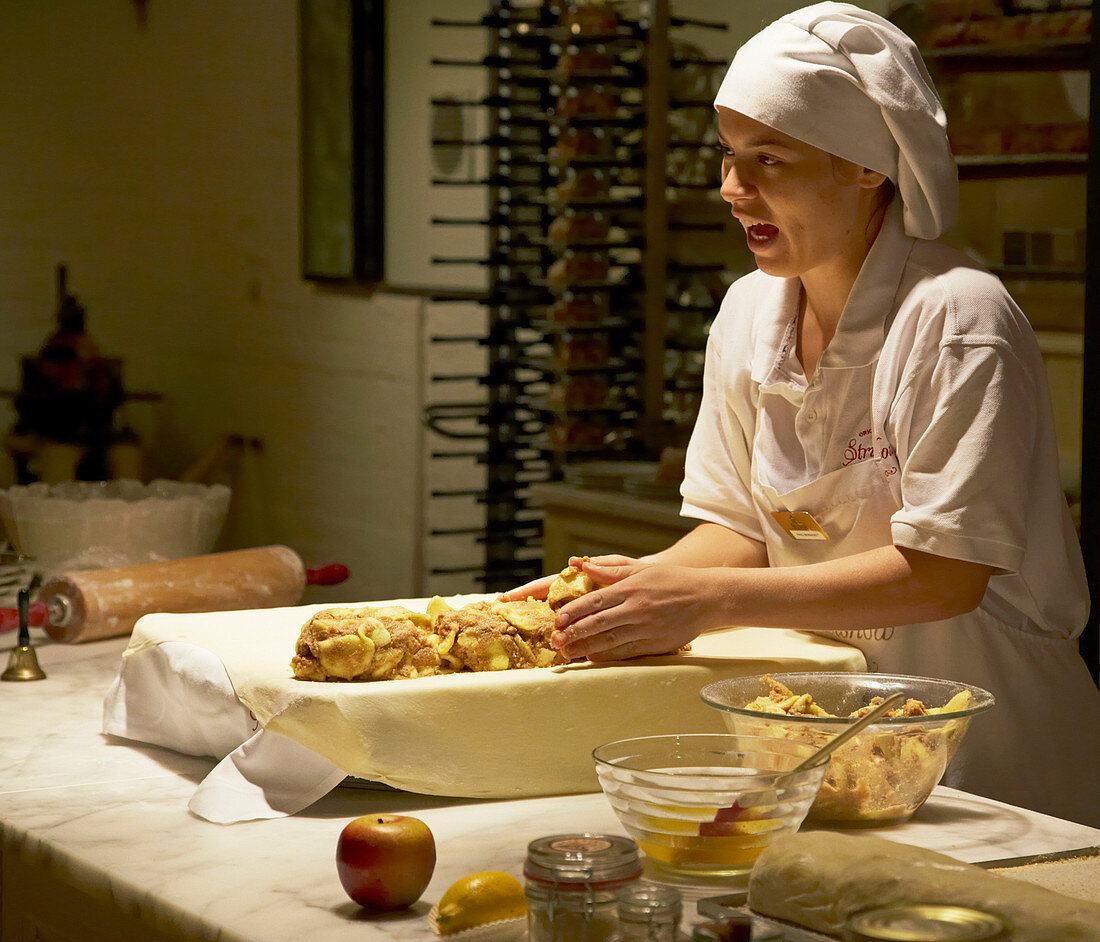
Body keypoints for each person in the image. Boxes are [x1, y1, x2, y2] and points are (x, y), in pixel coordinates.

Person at [505, 2, 1100, 826]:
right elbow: (741, 528)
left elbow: (947, 572)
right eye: (727, 156)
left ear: (864, 167)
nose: (730, 188)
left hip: (996, 759)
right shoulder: (750, 312)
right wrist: (627, 592)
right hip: (839, 741)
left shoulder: (956, 319)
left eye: (768, 159)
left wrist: (704, 602)